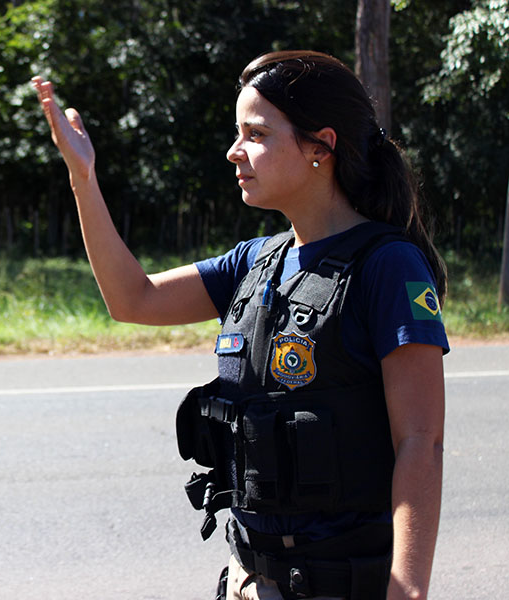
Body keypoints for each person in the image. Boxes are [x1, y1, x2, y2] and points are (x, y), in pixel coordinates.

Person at [32, 49, 447, 600]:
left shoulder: (387, 266)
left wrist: (408, 588)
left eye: (256, 134)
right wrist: (82, 177)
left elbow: (421, 441)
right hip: (251, 581)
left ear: (320, 146)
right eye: (237, 133)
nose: (234, 152)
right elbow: (133, 298)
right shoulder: (254, 262)